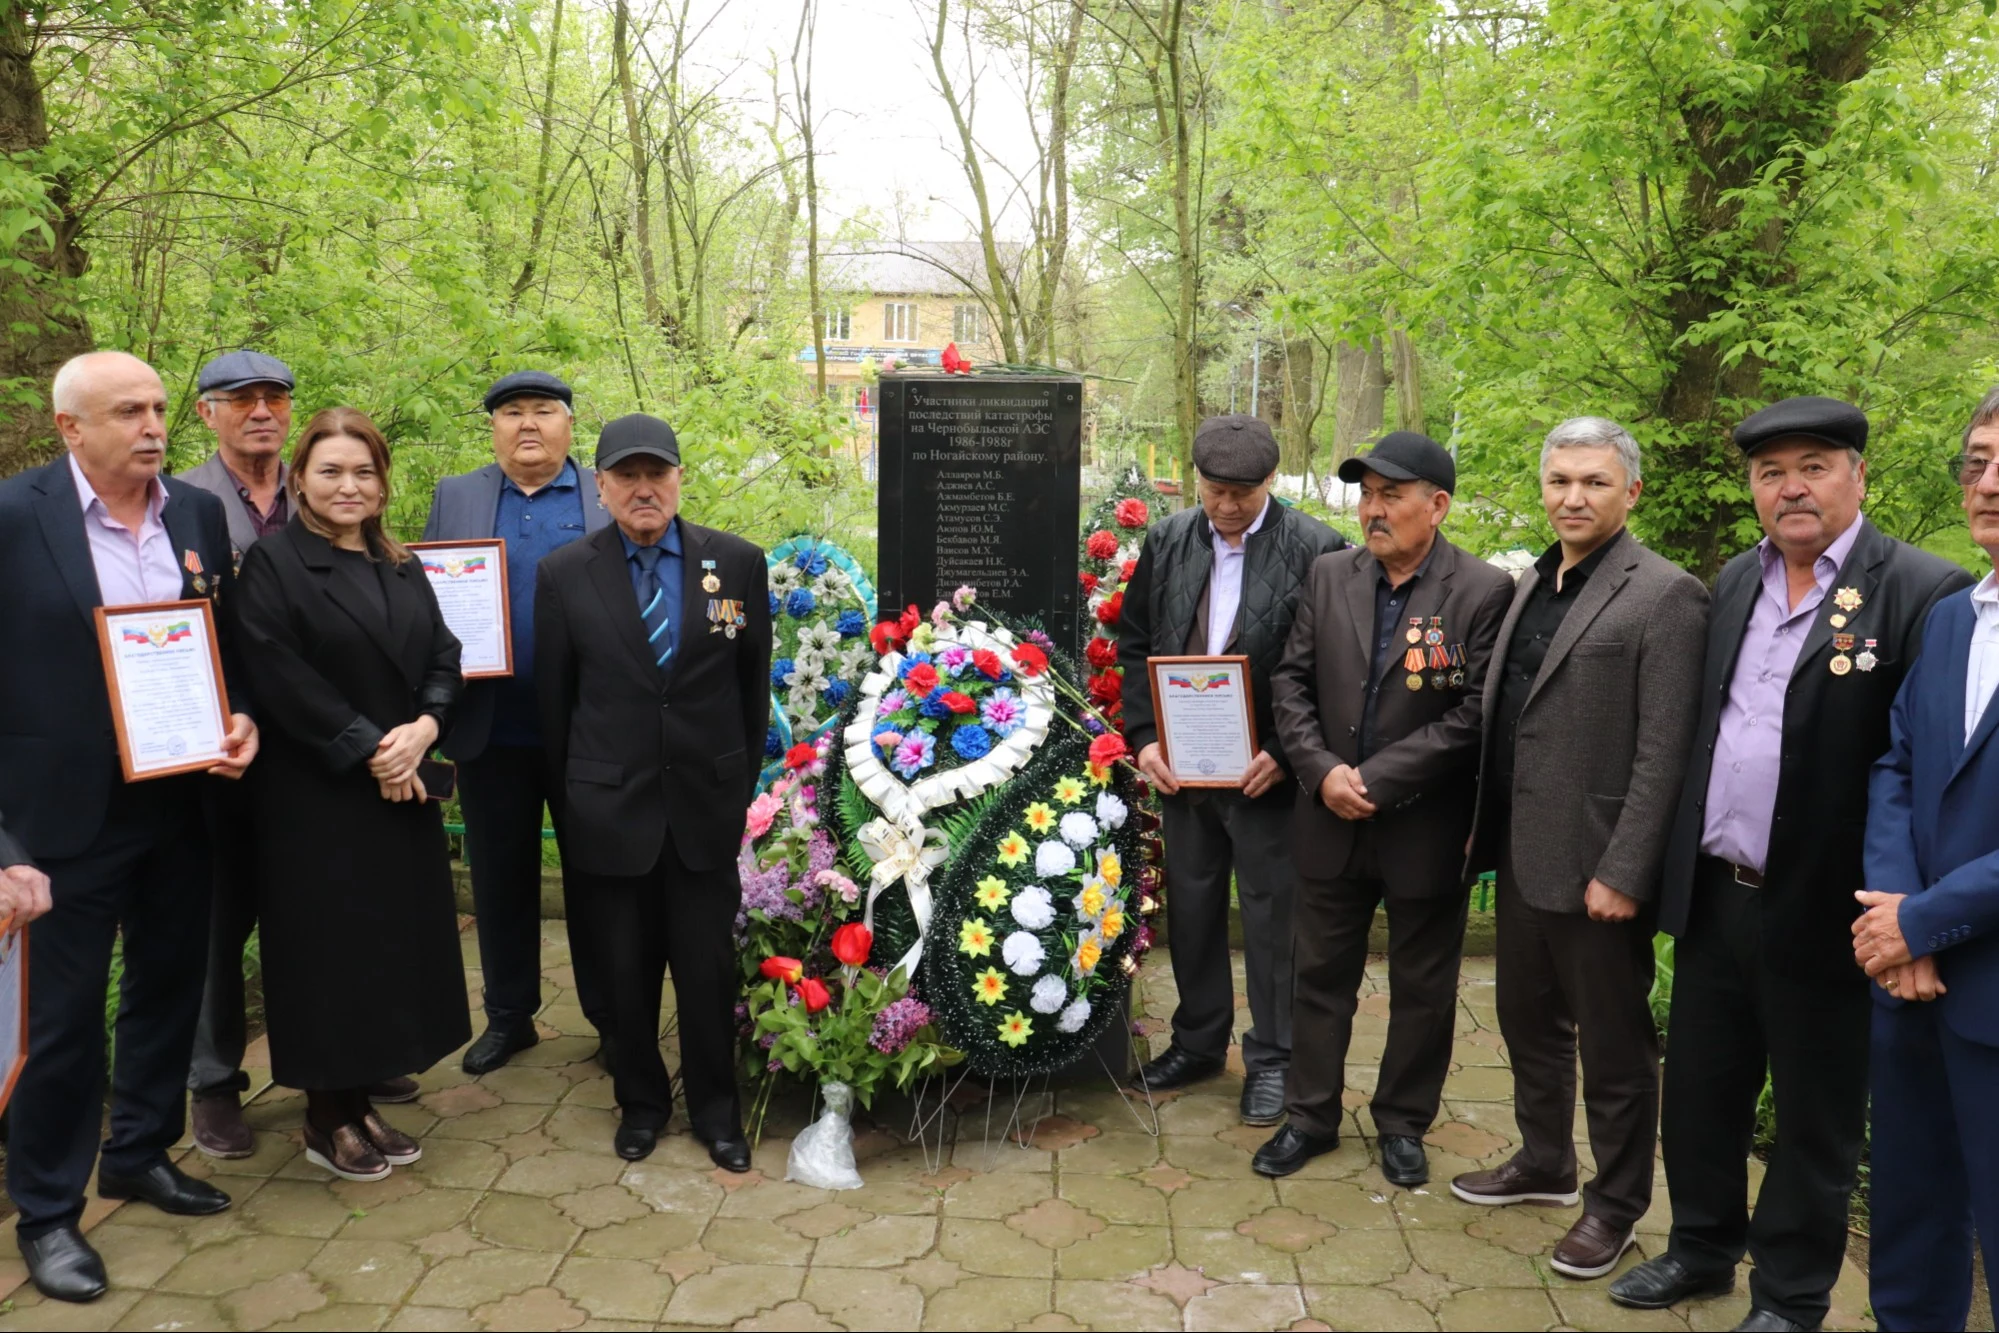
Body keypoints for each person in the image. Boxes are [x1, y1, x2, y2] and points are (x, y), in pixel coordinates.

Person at [1612, 398, 1971, 1329]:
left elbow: (1923, 765)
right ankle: (1699, 1248)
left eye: (1813, 466)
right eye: (1771, 473)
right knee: (1700, 1090)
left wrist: (1911, 906)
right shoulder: (1737, 577)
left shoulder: (1923, 591)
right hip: (1718, 892)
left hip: (1830, 904)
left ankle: (1790, 1293)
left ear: (1857, 475)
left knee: (1815, 1113)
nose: (1791, 488)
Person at [0, 350, 257, 1302]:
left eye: (156, 408)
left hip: (182, 799)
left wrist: (240, 716)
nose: (153, 426)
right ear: (70, 427)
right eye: (127, 412)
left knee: (167, 986)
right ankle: (47, 1211)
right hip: (58, 819)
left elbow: (220, 642)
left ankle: (139, 1152)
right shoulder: (13, 516)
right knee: (61, 1022)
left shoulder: (194, 513)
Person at [1452, 416, 1707, 1281]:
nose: (1573, 497)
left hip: (1597, 864)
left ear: (1629, 491)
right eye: (1559, 480)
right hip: (1522, 849)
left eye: (1593, 482)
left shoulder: (1665, 594)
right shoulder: (1531, 581)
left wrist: (1624, 869)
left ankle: (1616, 1204)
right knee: (1526, 1021)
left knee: (1612, 1045)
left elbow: (1664, 750)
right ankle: (1543, 1161)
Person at [1260, 432, 1515, 1182]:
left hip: (1423, 825)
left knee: (1423, 986)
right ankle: (1309, 1116)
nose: (1373, 510)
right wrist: (1320, 772)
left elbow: (1474, 714)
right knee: (1318, 976)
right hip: (1328, 817)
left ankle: (1403, 1122)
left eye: (1391, 496)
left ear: (1437, 506)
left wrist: (1373, 778)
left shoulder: (1482, 590)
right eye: (1367, 495)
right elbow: (1291, 682)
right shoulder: (1329, 574)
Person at [231, 407, 470, 1182]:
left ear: (382, 483)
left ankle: (361, 1099)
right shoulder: (273, 565)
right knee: (325, 952)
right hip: (315, 795)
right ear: (299, 478)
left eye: (363, 471)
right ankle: (324, 1114)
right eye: (330, 470)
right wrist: (372, 747)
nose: (348, 485)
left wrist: (425, 728)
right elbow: (277, 673)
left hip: (399, 788)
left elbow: (444, 654)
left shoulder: (399, 563)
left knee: (383, 947)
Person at [535, 413, 769, 1168]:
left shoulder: (736, 564)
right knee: (624, 974)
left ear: (678, 479)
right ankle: (640, 1104)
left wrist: (733, 789)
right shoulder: (564, 573)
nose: (644, 489)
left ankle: (716, 1113)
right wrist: (574, 809)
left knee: (707, 973)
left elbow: (751, 691)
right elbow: (554, 707)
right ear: (599, 486)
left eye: (656, 474)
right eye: (627, 476)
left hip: (703, 808)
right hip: (610, 811)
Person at [1118, 414, 1348, 1125]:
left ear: (1270, 481)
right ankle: (1198, 1041)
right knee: (1190, 906)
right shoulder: (1167, 539)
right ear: (1196, 479)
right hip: (1184, 766)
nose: (1225, 506)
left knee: (1273, 917)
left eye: (1241, 494)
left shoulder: (1317, 548)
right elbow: (1134, 642)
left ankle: (1274, 1057)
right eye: (1213, 490)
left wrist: (1285, 752)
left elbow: (1332, 665)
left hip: (1267, 771)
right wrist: (1145, 736)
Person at [1851, 388, 1999, 1331]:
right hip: (1913, 990)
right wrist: (1897, 916)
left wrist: (1919, 921)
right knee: (1910, 1234)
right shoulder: (1954, 618)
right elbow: (1897, 764)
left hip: (1984, 987)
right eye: (1976, 462)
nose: (1988, 483)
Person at [423, 370, 613, 1075]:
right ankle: (508, 1017)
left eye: (543, 410)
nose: (527, 424)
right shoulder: (458, 496)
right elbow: (424, 597)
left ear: (570, 425)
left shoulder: (602, 491)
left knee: (598, 879)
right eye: (511, 412)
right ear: (493, 427)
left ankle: (611, 1017)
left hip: (587, 731)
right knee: (499, 879)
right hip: (490, 728)